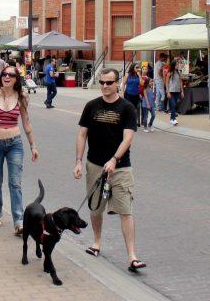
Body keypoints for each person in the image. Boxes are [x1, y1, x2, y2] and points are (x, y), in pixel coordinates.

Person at [74, 68, 145, 273]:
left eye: (109, 83)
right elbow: (81, 135)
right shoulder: (91, 106)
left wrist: (114, 159)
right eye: (102, 82)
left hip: (121, 168)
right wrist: (78, 161)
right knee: (95, 208)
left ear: (117, 84)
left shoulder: (127, 108)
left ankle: (132, 256)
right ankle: (96, 242)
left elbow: (128, 138)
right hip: (95, 164)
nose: (105, 86)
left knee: (125, 210)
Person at [0, 63, 38, 234]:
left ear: (16, 79)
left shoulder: (21, 97)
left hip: (15, 144)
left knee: (15, 183)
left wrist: (33, 146)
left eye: (11, 75)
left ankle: (19, 221)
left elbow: (26, 123)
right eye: (4, 74)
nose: (7, 77)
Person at [165, 56, 183, 126]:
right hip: (171, 91)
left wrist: (182, 91)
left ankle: (172, 119)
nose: (178, 65)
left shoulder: (179, 72)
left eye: (178, 64)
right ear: (173, 65)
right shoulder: (170, 73)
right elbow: (166, 82)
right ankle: (174, 119)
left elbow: (180, 82)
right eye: (176, 64)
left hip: (177, 91)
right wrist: (168, 92)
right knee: (173, 104)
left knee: (175, 105)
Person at [139, 65, 155, 133]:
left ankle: (149, 125)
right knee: (145, 116)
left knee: (153, 115)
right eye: (144, 69)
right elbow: (145, 96)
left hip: (151, 103)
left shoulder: (150, 87)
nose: (152, 83)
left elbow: (152, 96)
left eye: (146, 69)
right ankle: (145, 126)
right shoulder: (145, 88)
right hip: (146, 102)